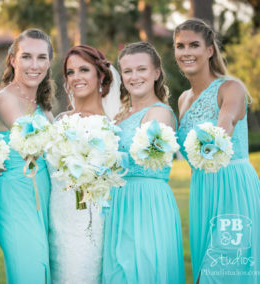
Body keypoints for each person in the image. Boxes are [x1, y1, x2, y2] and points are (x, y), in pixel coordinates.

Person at [174, 19, 260, 283]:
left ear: (209, 50)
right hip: (202, 191)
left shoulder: (230, 87)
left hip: (232, 188)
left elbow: (227, 122)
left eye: (194, 45)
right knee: (204, 271)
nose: (186, 52)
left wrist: (218, 133)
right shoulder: (182, 99)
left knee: (224, 272)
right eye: (180, 46)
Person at [102, 42, 185, 283]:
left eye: (142, 69)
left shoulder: (159, 113)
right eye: (127, 71)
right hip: (118, 201)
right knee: (118, 271)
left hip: (146, 202)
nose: (134, 77)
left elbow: (147, 158)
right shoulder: (120, 116)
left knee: (143, 269)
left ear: (157, 72)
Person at [0, 29, 54, 284]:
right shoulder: (6, 100)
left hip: (44, 192)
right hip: (16, 196)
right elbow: (32, 142)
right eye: (26, 57)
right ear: (13, 60)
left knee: (46, 269)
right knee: (30, 270)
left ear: (49, 62)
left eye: (41, 58)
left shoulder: (41, 105)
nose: (34, 65)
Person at [48, 45, 113, 283]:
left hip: (92, 225)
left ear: (101, 75)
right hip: (56, 222)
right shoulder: (59, 122)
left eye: (84, 70)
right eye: (71, 72)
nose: (76, 77)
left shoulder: (112, 125)